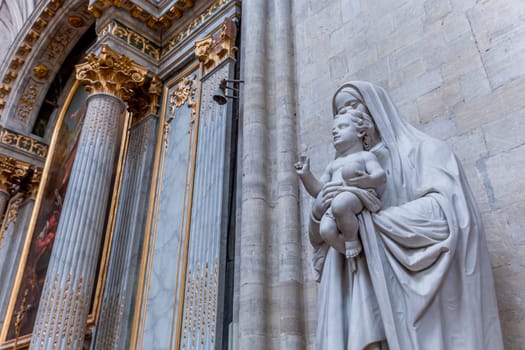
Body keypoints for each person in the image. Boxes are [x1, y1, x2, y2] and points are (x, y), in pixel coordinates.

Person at [306, 81, 503, 350]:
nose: (343, 116)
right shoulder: (337, 168)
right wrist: (318, 211)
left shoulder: (423, 151)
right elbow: (320, 239)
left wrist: (369, 224)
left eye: (353, 105)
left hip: (404, 292)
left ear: (375, 107)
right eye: (338, 112)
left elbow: (451, 215)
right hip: (351, 284)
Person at [295, 108, 386, 269]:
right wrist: (306, 176)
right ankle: (351, 257)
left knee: (341, 204)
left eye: (342, 127)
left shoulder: (365, 156)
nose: (336, 132)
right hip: (335, 203)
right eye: (333, 130)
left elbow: (380, 176)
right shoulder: (333, 165)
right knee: (326, 230)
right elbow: (319, 190)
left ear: (360, 132)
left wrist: (367, 180)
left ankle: (351, 240)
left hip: (356, 195)